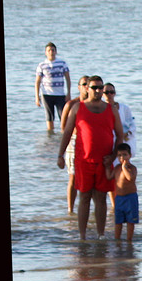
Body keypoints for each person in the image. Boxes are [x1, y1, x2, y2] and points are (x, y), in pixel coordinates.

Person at [57, 75, 124, 239]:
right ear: (87, 89)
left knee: (101, 198)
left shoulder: (111, 109)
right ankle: (82, 236)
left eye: (100, 88)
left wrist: (114, 155)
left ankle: (101, 235)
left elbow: (120, 135)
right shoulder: (77, 108)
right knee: (85, 196)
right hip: (83, 161)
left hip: (104, 161)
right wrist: (60, 155)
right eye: (94, 87)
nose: (98, 91)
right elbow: (66, 133)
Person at [62, 75, 90, 214]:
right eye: (84, 84)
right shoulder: (71, 105)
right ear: (78, 87)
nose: (87, 86)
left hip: (91, 143)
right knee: (73, 176)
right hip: (74, 142)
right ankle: (70, 210)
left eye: (88, 84)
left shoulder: (97, 105)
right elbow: (64, 128)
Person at [105, 142, 138, 241]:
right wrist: (107, 167)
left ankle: (129, 240)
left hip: (130, 198)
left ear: (130, 155)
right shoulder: (116, 168)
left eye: (124, 155)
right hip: (119, 198)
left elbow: (130, 178)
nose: (122, 158)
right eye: (119, 155)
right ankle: (117, 239)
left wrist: (124, 168)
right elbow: (109, 177)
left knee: (130, 221)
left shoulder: (132, 168)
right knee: (118, 221)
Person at [36, 42, 71, 132]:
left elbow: (67, 78)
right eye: (49, 50)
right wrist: (37, 96)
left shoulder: (62, 63)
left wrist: (68, 93)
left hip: (60, 94)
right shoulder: (42, 65)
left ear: (56, 52)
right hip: (46, 94)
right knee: (49, 117)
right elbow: (38, 81)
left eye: (53, 50)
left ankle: (63, 135)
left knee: (63, 117)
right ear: (45, 52)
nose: (51, 52)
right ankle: (51, 138)